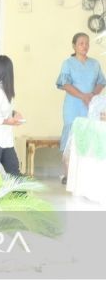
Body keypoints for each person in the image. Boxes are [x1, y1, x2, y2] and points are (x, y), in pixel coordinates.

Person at [56, 32, 105, 183]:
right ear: (74, 46)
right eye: (81, 43)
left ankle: (86, 177)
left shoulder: (95, 63)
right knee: (71, 138)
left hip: (90, 106)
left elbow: (101, 82)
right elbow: (65, 84)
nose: (85, 46)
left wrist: (91, 95)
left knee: (89, 138)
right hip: (73, 106)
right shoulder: (68, 63)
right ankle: (68, 175)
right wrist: (82, 96)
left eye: (87, 43)